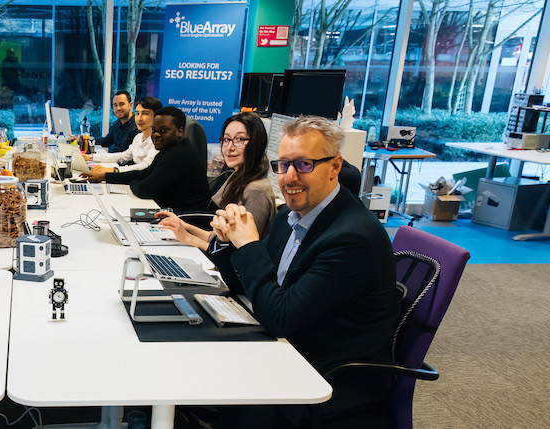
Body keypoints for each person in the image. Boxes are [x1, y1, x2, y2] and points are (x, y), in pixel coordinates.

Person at [201, 116, 400, 428]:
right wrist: (228, 242)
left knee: (209, 382)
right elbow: (252, 283)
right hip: (290, 347)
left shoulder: (352, 239)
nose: (289, 177)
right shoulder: (291, 215)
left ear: (335, 167)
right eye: (283, 165)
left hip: (322, 376)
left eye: (304, 164)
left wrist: (249, 246)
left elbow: (280, 317)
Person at [158, 112, 276, 248]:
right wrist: (183, 226)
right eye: (227, 139)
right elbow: (214, 238)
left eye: (240, 139)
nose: (230, 147)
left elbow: (235, 254)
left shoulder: (256, 190)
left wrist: (187, 237)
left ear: (256, 143)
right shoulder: (237, 176)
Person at [101, 106, 210, 215]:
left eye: (163, 131)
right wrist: (106, 176)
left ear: (180, 131)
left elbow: (144, 190)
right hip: (174, 214)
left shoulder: (176, 155)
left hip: (188, 221)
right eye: (154, 130)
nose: (156, 135)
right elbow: (143, 174)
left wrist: (132, 183)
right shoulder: (170, 149)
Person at [80, 96, 162, 181]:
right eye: (137, 113)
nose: (139, 118)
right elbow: (122, 157)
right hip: (134, 179)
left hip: (143, 183)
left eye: (145, 113)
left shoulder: (157, 141)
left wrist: (114, 170)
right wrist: (91, 157)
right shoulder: (138, 137)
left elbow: (145, 166)